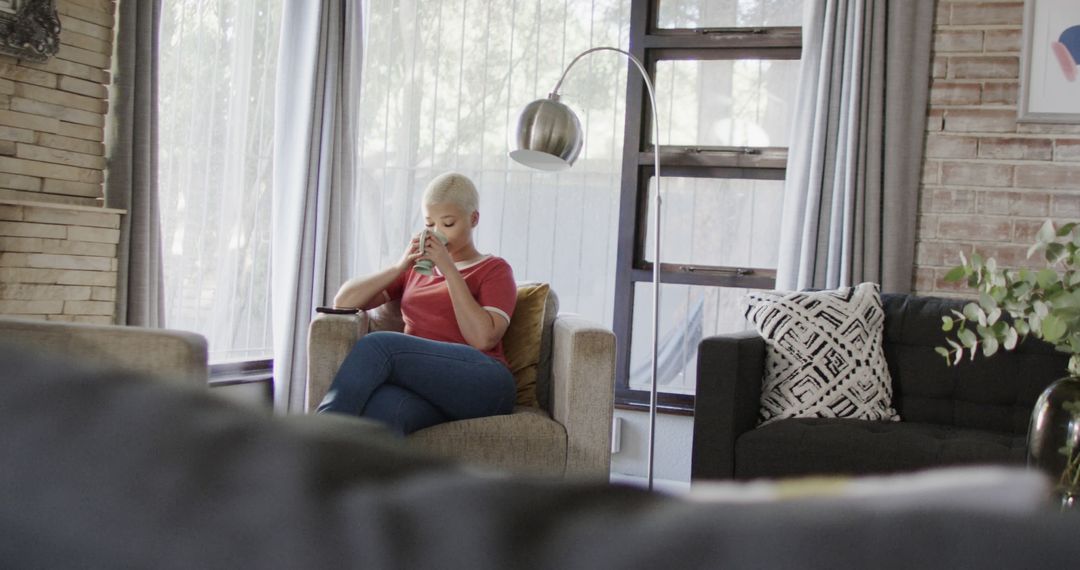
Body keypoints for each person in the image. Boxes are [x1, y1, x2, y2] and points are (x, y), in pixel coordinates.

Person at [316, 172, 517, 435]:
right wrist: (400, 266)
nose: (437, 233)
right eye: (429, 224)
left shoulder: (495, 270)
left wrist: (448, 269)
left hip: (484, 384)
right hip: (428, 388)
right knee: (380, 414)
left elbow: (483, 339)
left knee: (380, 346)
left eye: (448, 224)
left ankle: (315, 439)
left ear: (473, 219)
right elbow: (343, 301)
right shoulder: (415, 271)